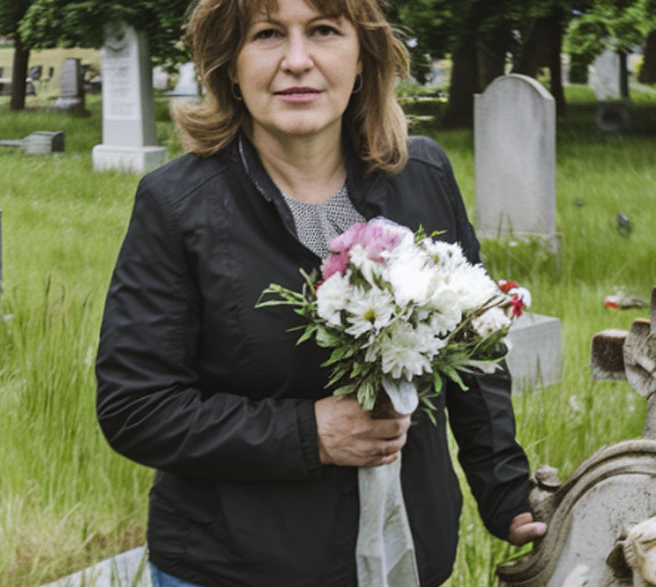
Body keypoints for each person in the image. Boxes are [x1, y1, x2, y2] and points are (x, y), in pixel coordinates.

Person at [94, 0, 545, 585]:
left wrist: (506, 493)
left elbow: (476, 353)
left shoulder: (423, 177)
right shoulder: (177, 206)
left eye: (325, 31)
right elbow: (137, 407)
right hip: (233, 564)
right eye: (268, 34)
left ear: (363, 57)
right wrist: (309, 435)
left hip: (404, 557)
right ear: (230, 64)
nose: (297, 60)